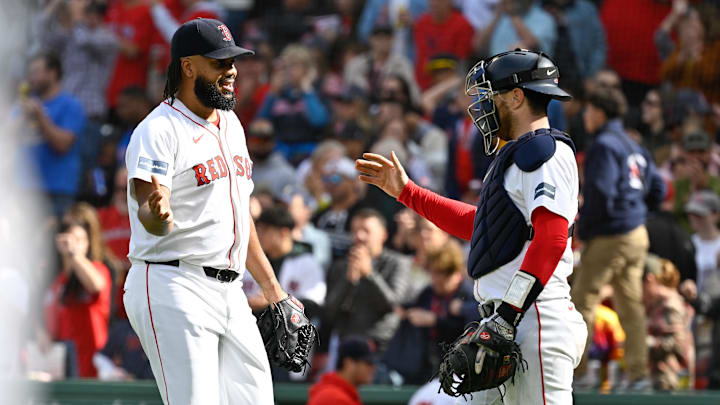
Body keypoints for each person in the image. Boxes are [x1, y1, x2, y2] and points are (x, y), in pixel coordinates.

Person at [356, 49, 587, 403]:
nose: (483, 106)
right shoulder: (518, 153)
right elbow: (483, 228)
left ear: (516, 96)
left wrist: (507, 316)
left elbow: (553, 238)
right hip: (504, 324)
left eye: (489, 95)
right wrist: (408, 193)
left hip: (533, 319)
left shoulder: (545, 151)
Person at [122, 19, 289, 404]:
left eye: (233, 61)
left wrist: (273, 290)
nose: (231, 70)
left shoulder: (231, 123)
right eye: (219, 62)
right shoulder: (159, 128)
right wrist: (156, 213)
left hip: (231, 290)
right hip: (172, 281)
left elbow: (239, 217)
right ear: (188, 66)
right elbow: (150, 201)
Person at [573, 86, 666, 391]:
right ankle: (638, 376)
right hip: (636, 234)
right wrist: (636, 212)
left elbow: (600, 193)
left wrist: (584, 229)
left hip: (611, 234)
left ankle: (579, 374)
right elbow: (657, 190)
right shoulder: (632, 144)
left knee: (582, 301)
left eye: (589, 110)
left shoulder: (603, 145)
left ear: (600, 112)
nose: (586, 115)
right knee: (630, 304)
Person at [324, 209, 411, 354]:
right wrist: (349, 280)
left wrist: (369, 274)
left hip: (381, 345)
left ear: (383, 234)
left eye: (366, 230)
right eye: (354, 230)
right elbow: (330, 310)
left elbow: (393, 303)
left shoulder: (398, 263)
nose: (359, 236)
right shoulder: (341, 265)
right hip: (345, 343)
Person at [18, 53, 86, 218]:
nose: (31, 77)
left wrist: (40, 116)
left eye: (36, 72)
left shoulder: (71, 105)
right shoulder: (25, 104)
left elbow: (62, 145)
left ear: (53, 73)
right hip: (24, 189)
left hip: (57, 191)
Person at [44, 213, 113, 378]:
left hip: (93, 369)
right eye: (69, 238)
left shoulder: (98, 268)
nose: (72, 244)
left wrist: (75, 255)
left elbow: (96, 284)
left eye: (80, 239)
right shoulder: (57, 282)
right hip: (65, 369)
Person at [643, 254, 695, 391]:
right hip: (657, 382)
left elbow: (679, 343)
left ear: (649, 280)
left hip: (671, 384)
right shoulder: (654, 304)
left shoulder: (670, 305)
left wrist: (649, 343)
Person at [307, 336, 376, 405]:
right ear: (349, 363)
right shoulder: (333, 399)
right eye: (368, 363)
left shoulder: (342, 394)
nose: (372, 368)